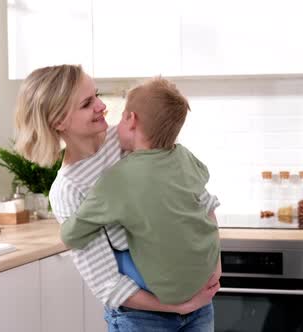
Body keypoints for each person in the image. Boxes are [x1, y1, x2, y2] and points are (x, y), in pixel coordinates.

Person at [14, 64, 221, 331]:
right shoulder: (69, 189)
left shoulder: (135, 136)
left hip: (200, 307)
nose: (102, 105)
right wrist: (178, 306)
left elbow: (200, 202)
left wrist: (214, 269)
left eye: (96, 94)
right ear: (59, 121)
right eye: (88, 103)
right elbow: (106, 283)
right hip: (142, 319)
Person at [60, 76, 221, 307]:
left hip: (169, 292)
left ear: (130, 119)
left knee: (123, 252)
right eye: (88, 102)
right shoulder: (184, 156)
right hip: (205, 276)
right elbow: (205, 204)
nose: (102, 108)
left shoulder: (118, 179)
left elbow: (71, 235)